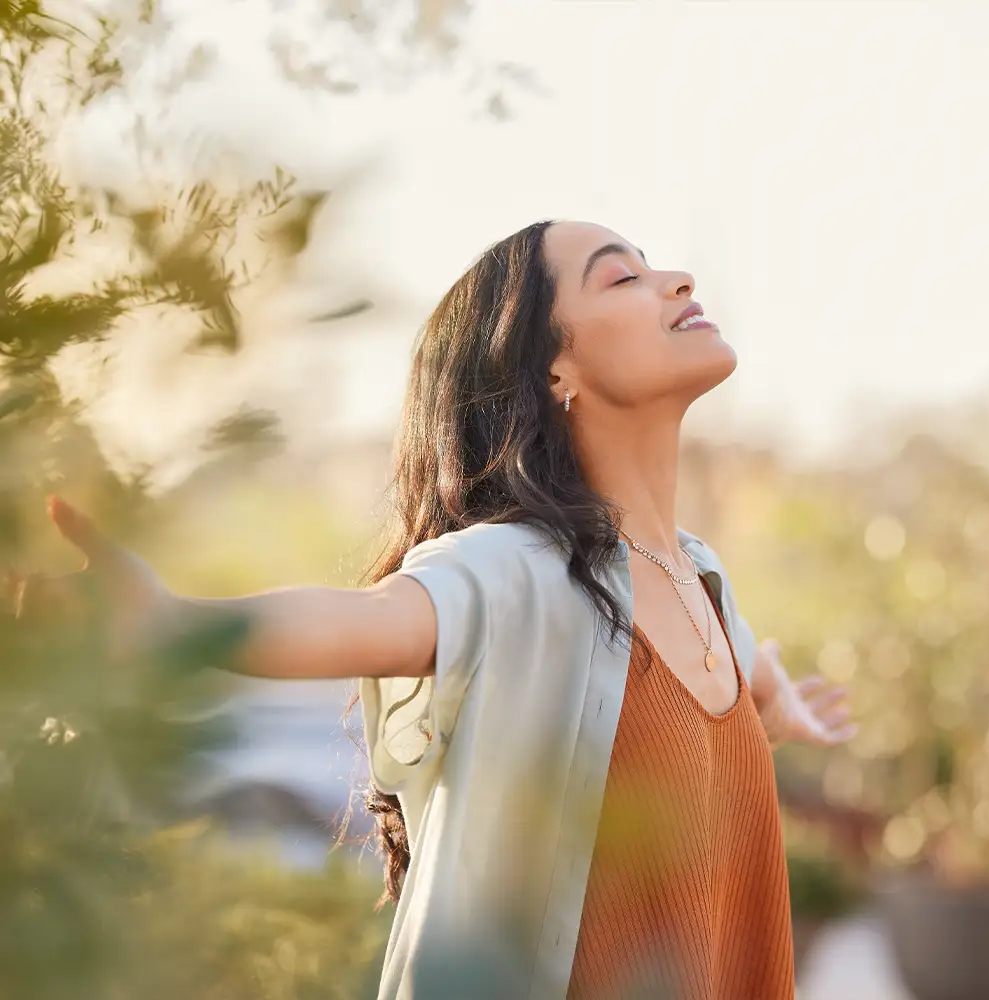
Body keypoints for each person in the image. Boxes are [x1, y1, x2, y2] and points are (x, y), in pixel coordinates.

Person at [20, 220, 855, 999]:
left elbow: (716, 680)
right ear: (553, 369)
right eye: (624, 277)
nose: (677, 281)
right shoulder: (518, 569)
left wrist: (766, 696)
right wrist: (174, 625)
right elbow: (368, 620)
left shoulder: (700, 579)